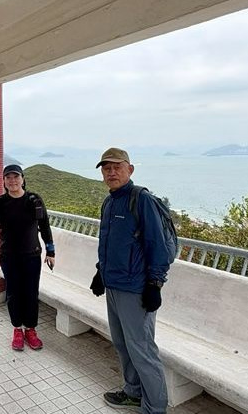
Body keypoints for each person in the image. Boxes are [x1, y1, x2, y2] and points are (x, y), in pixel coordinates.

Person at [90, 148, 170, 414]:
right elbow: (109, 243)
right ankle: (133, 393)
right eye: (106, 168)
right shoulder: (109, 202)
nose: (111, 172)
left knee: (142, 350)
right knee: (123, 344)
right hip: (114, 285)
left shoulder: (141, 199)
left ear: (130, 169)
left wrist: (155, 284)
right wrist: (100, 272)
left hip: (136, 289)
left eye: (117, 167)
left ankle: (155, 408)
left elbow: (157, 245)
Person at [0, 164, 55, 351]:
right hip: (9, 256)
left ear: (23, 179)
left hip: (32, 256)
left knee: (31, 293)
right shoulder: (0, 202)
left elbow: (44, 226)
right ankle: (17, 329)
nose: (12, 181)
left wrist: (51, 251)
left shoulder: (34, 200)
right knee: (13, 293)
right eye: (8, 177)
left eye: (16, 177)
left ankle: (31, 330)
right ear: (4, 181)